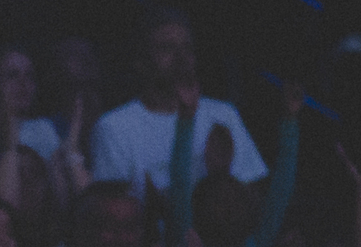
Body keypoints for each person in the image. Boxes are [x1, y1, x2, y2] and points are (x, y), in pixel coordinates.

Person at [84, 13, 267, 197]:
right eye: (166, 49)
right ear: (141, 63)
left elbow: (251, 191)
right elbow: (111, 207)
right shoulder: (114, 127)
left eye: (187, 48)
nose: (181, 57)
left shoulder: (223, 115)